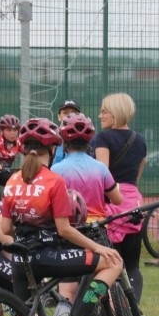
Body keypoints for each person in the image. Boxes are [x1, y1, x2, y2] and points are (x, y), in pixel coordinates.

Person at [0, 117, 123, 316]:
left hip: (20, 260)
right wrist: (98, 248)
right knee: (113, 262)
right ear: (53, 147)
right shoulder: (54, 181)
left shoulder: (12, 181)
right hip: (46, 257)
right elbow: (64, 230)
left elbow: (6, 228)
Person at [52, 112, 124, 305]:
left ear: (64, 142)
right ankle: (89, 306)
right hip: (97, 231)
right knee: (107, 273)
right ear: (89, 141)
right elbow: (117, 199)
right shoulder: (100, 168)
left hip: (69, 232)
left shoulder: (56, 170)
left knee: (67, 287)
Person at [92, 93, 148, 301]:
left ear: (115, 113)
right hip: (133, 206)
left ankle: (94, 304)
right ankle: (133, 309)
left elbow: (103, 174)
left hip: (110, 205)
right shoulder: (140, 140)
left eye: (104, 111)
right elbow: (137, 177)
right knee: (132, 265)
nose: (100, 116)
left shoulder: (102, 138)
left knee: (107, 265)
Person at [53, 99, 81, 165]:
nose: (69, 115)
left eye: (74, 113)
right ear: (59, 117)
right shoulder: (52, 137)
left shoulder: (85, 139)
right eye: (65, 113)